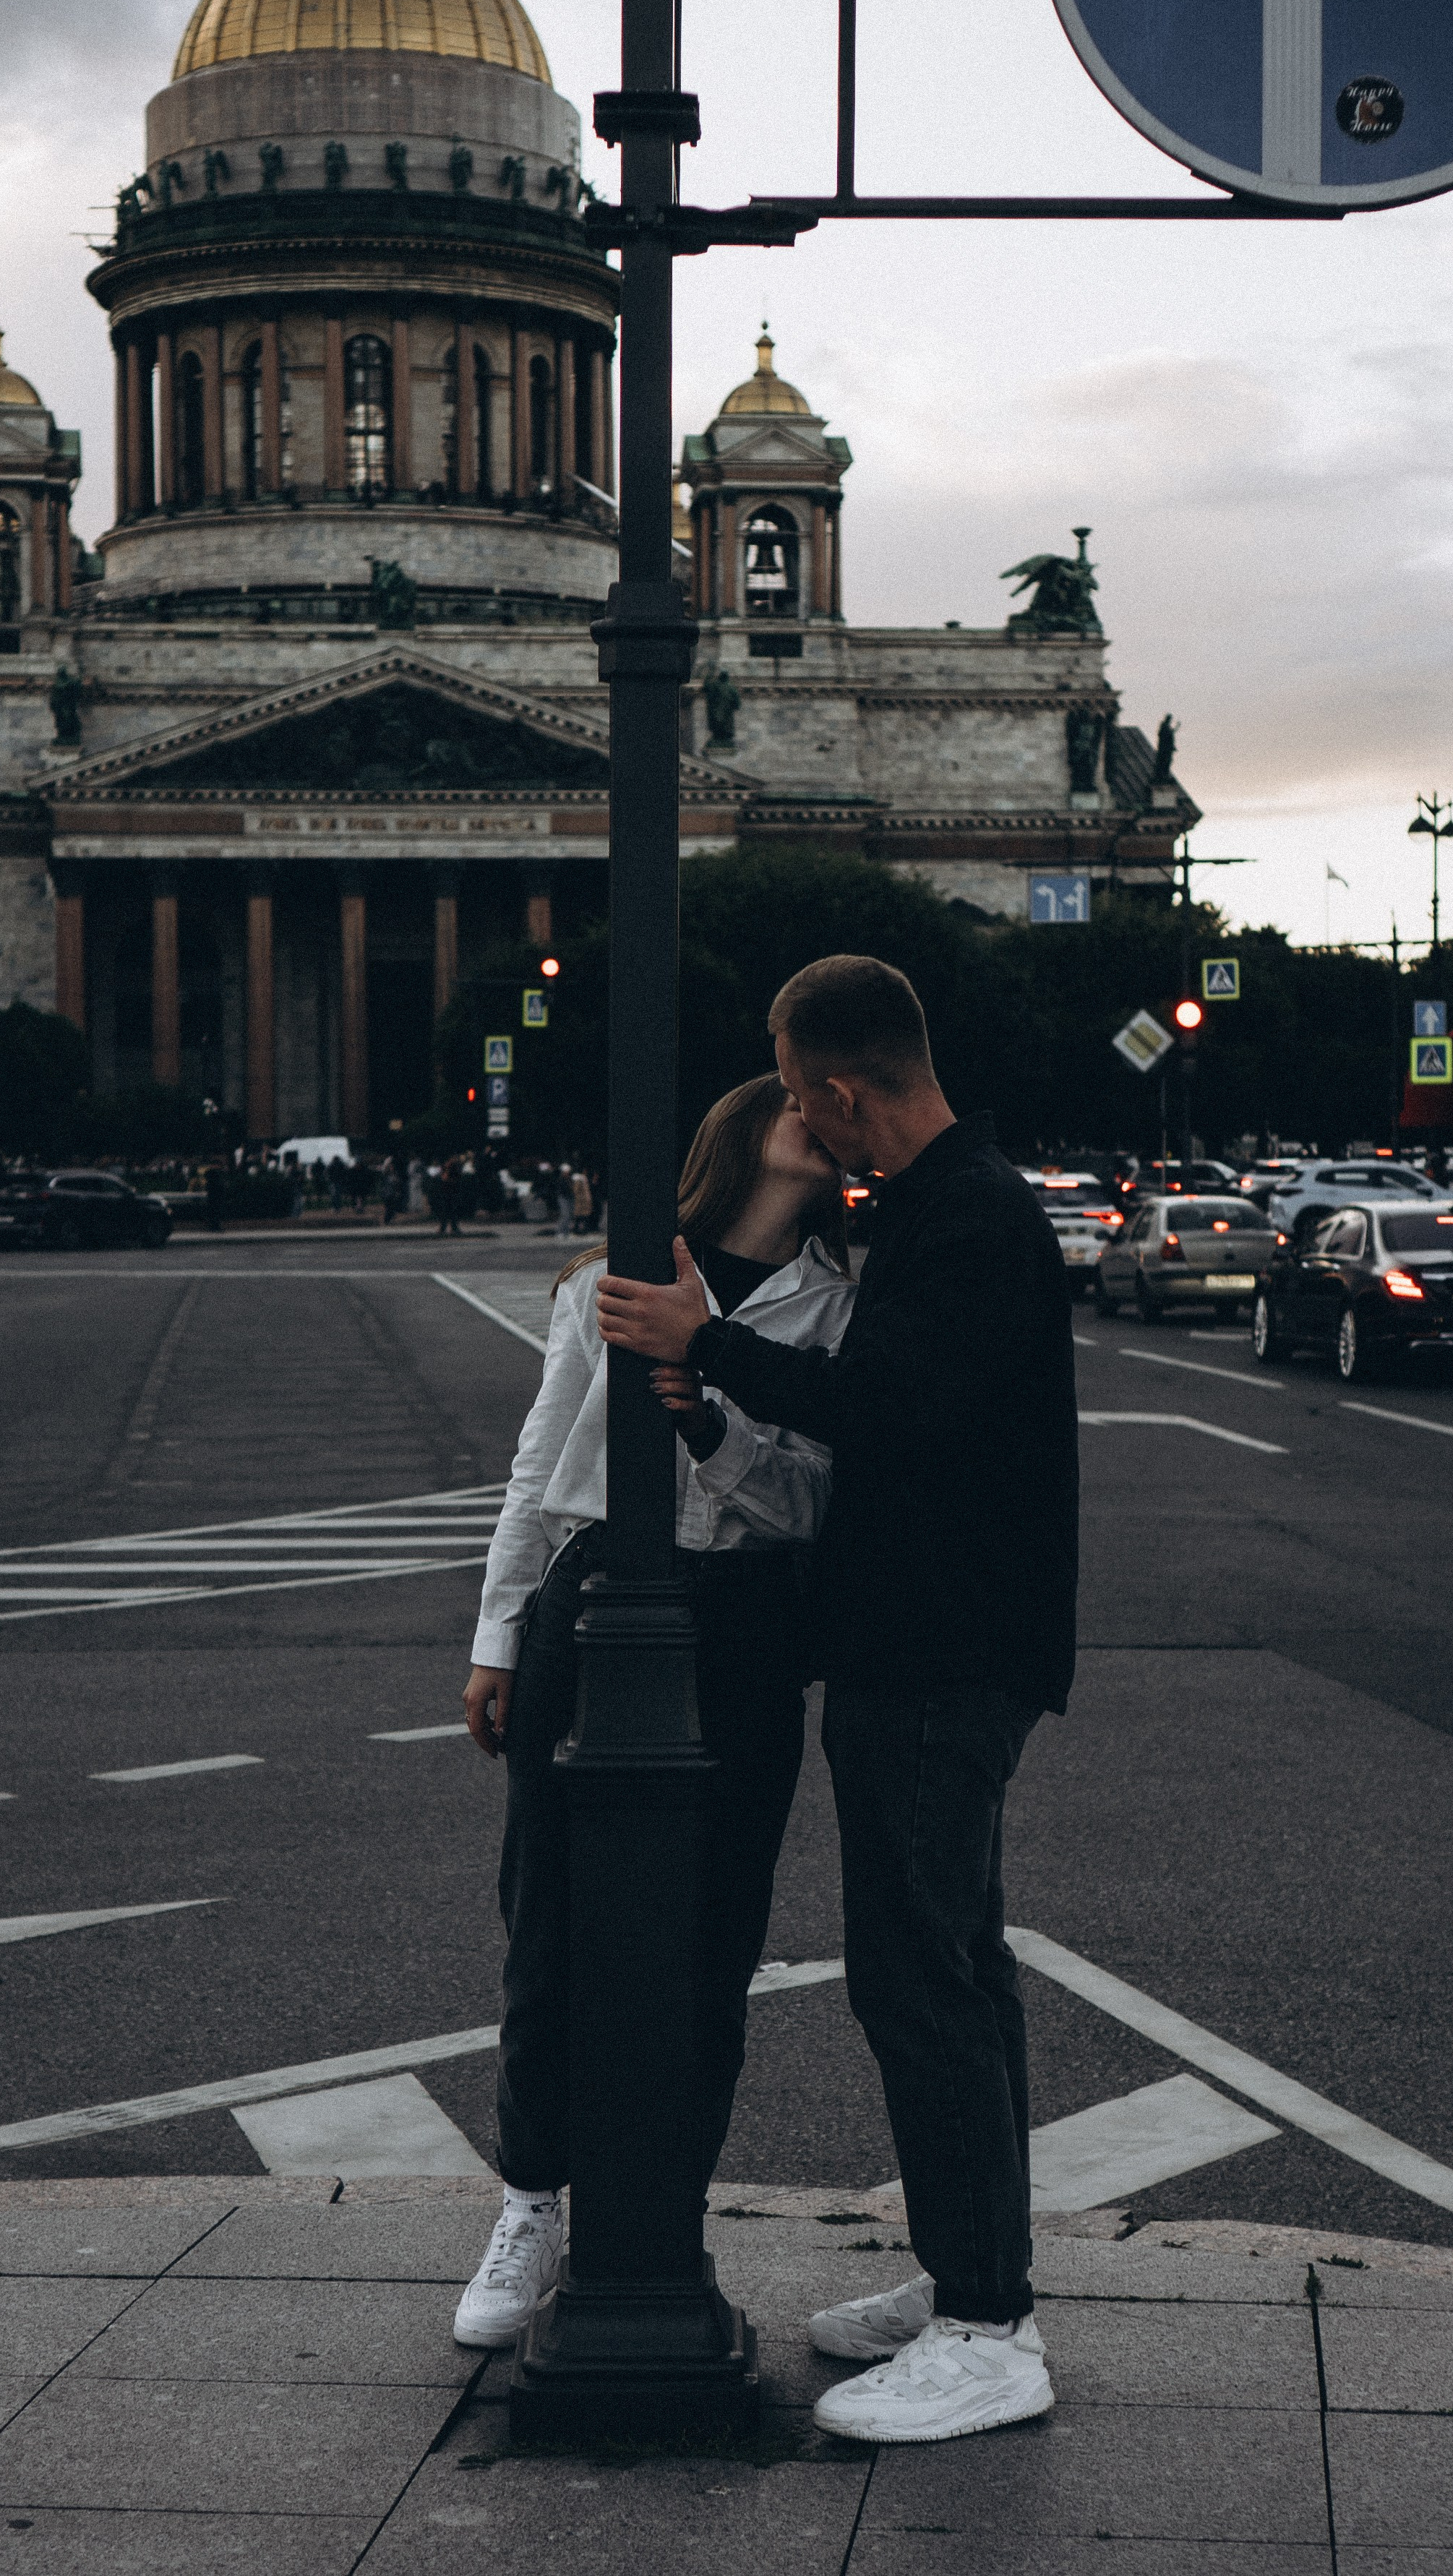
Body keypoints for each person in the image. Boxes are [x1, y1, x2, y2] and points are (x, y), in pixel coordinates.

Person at [598, 953, 1078, 2446]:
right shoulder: (950, 1205)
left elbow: (895, 1416)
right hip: (923, 1647)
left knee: (920, 1979)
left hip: (938, 1656)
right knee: (955, 1970)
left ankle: (990, 2327)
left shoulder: (968, 1217)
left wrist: (707, 1344)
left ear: (846, 1089)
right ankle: (972, 2281)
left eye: (809, 1098)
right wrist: (719, 1394)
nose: (810, 1124)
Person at [453, 1073, 854, 2352]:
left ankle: (665, 2206)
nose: (814, 1111)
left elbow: (809, 1505)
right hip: (590, 1596)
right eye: (789, 1097)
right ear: (739, 1132)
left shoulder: (838, 1305)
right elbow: (538, 1461)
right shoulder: (610, 1277)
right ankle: (529, 2202)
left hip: (743, 1625)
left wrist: (713, 1421)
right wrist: (497, 1636)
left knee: (711, 1938)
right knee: (549, 1918)